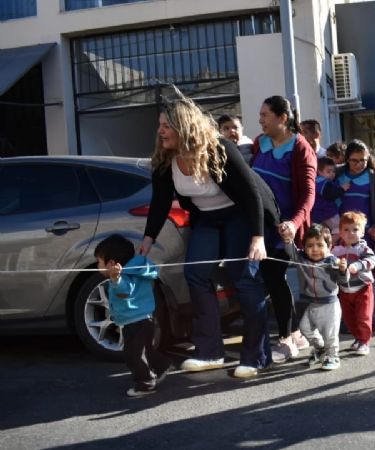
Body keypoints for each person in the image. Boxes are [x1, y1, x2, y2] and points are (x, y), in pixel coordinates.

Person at [143, 91, 278, 377]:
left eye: (166, 125)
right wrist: (148, 239)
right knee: (196, 274)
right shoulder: (166, 160)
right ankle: (209, 352)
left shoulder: (220, 149)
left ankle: (257, 356)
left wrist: (257, 237)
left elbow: (251, 193)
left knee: (243, 277)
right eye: (160, 125)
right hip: (207, 218)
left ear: (184, 126)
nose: (160, 131)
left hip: (239, 214)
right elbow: (160, 203)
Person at [250, 95, 317, 363]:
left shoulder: (301, 148)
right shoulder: (259, 142)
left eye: (265, 115)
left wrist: (294, 223)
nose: (260, 120)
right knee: (267, 279)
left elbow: (309, 195)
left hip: (283, 229)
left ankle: (287, 338)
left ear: (282, 118)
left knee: (274, 277)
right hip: (259, 224)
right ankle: (293, 332)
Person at [95, 234, 172, 397]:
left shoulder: (125, 276)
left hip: (136, 322)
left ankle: (145, 384)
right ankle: (161, 366)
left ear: (111, 264)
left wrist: (116, 280)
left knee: (133, 356)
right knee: (146, 350)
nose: (97, 266)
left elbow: (125, 292)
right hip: (144, 319)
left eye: (99, 262)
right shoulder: (137, 270)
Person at [283, 224, 349, 371]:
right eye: (310, 245)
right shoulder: (302, 259)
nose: (315, 249)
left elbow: (343, 281)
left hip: (330, 305)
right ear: (304, 247)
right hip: (312, 304)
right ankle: (320, 349)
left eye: (320, 245)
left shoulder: (332, 262)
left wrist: (343, 270)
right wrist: (288, 240)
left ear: (329, 247)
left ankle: (333, 356)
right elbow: (292, 252)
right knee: (304, 328)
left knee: (330, 335)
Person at [332, 211, 375, 356]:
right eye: (346, 229)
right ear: (340, 232)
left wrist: (357, 266)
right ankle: (358, 338)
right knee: (349, 318)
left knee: (363, 316)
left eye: (355, 229)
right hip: (345, 290)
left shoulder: (363, 248)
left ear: (362, 232)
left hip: (362, 288)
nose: (351, 233)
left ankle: (364, 341)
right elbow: (329, 262)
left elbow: (371, 260)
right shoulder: (336, 250)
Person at [335, 140, 375, 244]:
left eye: (363, 160)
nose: (359, 164)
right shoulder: (336, 174)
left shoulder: (374, 177)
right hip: (340, 235)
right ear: (347, 159)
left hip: (366, 234)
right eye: (354, 160)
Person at [312, 156, 349, 244]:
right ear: (319, 171)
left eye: (333, 171)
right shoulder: (323, 182)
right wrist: (342, 189)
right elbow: (330, 195)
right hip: (329, 213)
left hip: (317, 214)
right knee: (339, 230)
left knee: (318, 232)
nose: (332, 174)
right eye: (328, 171)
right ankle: (328, 245)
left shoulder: (316, 181)